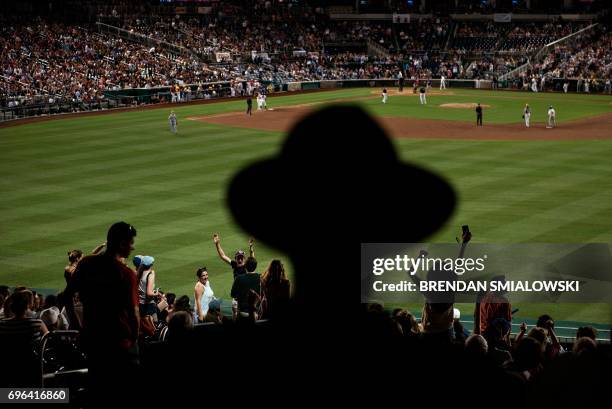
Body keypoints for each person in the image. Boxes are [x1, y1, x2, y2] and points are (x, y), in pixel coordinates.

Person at [63, 221, 139, 401]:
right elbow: (134, 314)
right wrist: (134, 339)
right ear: (121, 243)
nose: (132, 247)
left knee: (98, 388)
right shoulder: (127, 274)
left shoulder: (87, 264)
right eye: (130, 242)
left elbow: (66, 297)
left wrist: (77, 326)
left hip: (93, 340)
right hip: (120, 344)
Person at [136, 255, 158, 320]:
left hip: (140, 303)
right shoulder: (150, 274)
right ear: (151, 264)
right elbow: (149, 293)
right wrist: (156, 293)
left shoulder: (139, 272)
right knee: (154, 325)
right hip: (148, 305)